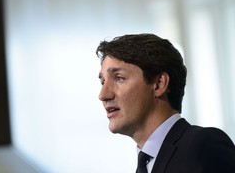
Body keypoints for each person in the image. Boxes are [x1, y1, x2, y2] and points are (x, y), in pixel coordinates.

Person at [96, 33, 235, 173]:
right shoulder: (145, 166)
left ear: (159, 84)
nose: (103, 95)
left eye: (119, 78)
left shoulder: (205, 146)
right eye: (103, 82)